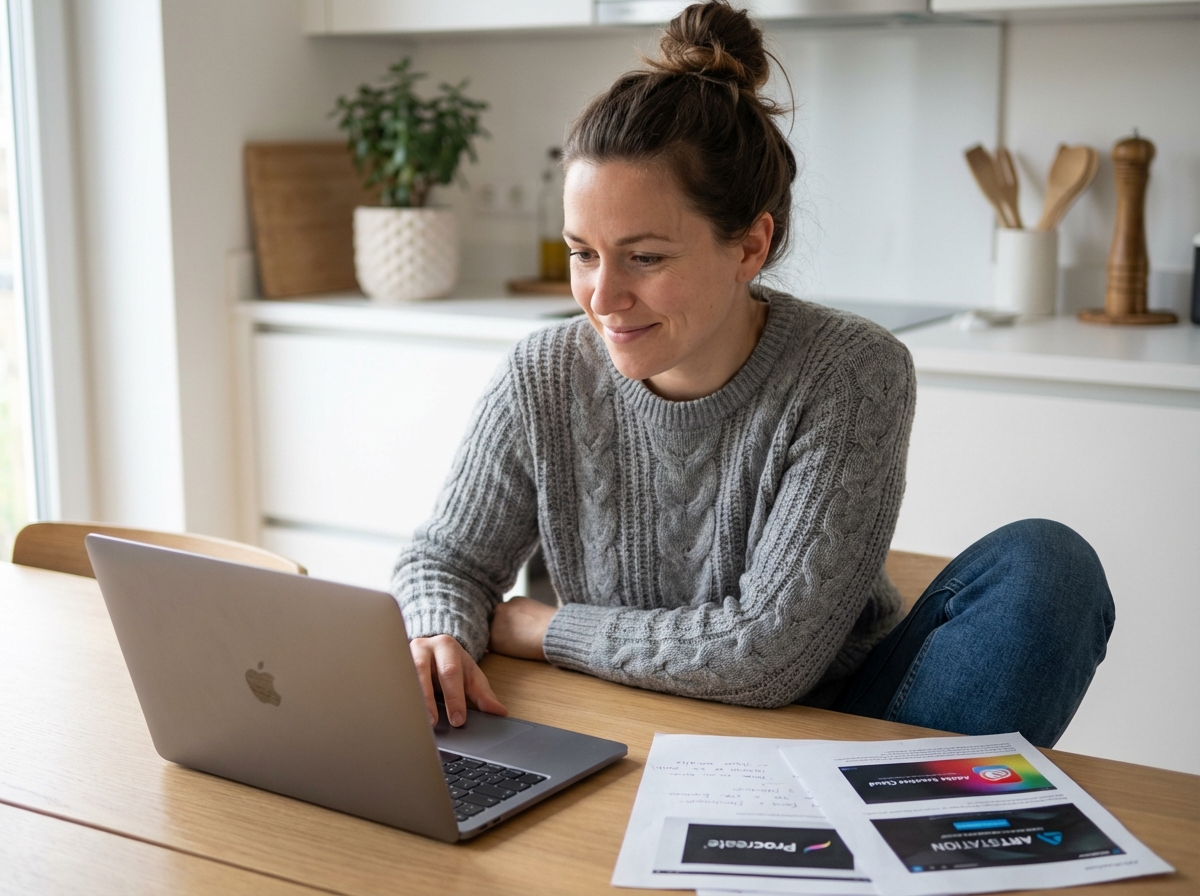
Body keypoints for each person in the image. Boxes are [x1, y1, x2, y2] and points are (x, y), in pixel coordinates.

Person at [392, 1, 1114, 749]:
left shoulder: (851, 373)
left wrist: (547, 629)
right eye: (583, 253)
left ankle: (897, 822)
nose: (602, 299)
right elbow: (444, 559)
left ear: (749, 246)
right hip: (615, 718)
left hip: (835, 724)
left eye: (645, 257)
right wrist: (438, 631)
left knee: (1049, 567)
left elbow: (767, 658)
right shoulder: (542, 372)